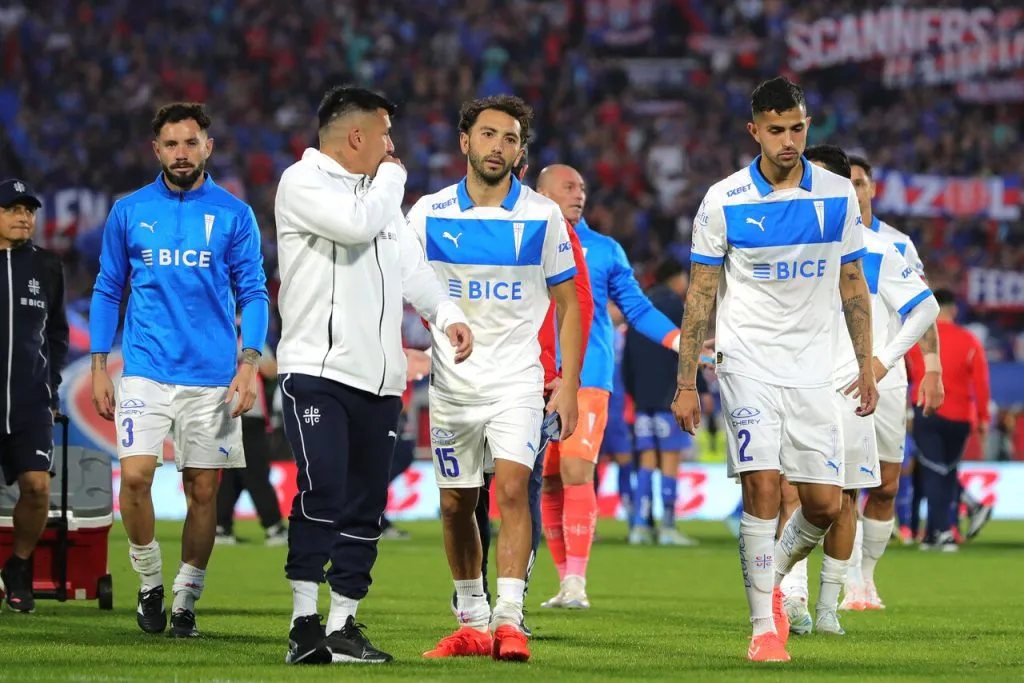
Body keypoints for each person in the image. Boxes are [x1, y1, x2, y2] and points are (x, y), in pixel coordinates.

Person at [671, 77, 878, 663]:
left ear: (807, 126)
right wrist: (687, 381)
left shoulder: (837, 194)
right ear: (754, 131)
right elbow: (700, 294)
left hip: (815, 367)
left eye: (797, 128)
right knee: (762, 484)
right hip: (747, 361)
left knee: (824, 505)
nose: (788, 140)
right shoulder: (725, 199)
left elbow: (853, 282)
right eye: (776, 130)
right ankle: (764, 627)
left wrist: (864, 366)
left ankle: (775, 565)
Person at [273, 86, 472, 665]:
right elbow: (356, 227)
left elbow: (415, 271)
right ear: (356, 136)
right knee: (323, 491)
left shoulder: (379, 201)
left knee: (364, 506)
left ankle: (343, 626)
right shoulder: (303, 183)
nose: (392, 146)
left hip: (381, 382)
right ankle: (302, 622)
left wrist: (449, 316)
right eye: (385, 134)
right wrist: (392, 178)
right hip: (318, 371)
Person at [406, 95, 582, 662]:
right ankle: (472, 618)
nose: (497, 147)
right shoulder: (429, 213)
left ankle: (510, 619)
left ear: (520, 152)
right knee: (457, 504)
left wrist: (570, 384)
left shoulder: (541, 214)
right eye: (487, 135)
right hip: (453, 386)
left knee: (510, 490)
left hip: (517, 381)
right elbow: (396, 283)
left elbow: (569, 303)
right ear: (465, 142)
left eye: (509, 139)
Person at [90, 103, 269, 637]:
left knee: (202, 491)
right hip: (145, 368)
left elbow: (254, 293)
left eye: (191, 143)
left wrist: (249, 362)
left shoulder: (235, 214)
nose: (182, 153)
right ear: (157, 150)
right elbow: (107, 288)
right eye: (172, 144)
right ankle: (148, 583)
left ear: (207, 147)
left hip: (212, 375)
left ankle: (186, 599)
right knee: (138, 476)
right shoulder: (129, 210)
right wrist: (100, 365)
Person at [778, 145, 938, 636]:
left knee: (846, 498)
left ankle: (830, 607)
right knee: (795, 493)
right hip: (796, 382)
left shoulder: (879, 248)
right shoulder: (786, 241)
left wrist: (884, 360)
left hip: (850, 390)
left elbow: (925, 308)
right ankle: (792, 598)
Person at [457, 145, 594, 639]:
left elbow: (576, 303)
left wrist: (563, 377)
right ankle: (471, 594)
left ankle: (511, 605)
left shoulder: (547, 223)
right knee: (466, 496)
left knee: (521, 489)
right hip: (464, 378)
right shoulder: (452, 214)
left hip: (528, 380)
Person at [536, 163, 682, 610]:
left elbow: (636, 309)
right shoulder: (522, 243)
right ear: (541, 193)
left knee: (578, 470)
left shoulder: (604, 250)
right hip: (533, 377)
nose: (579, 194)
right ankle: (564, 582)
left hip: (587, 377)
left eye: (582, 187)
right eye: (568, 187)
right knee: (547, 483)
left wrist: (679, 341)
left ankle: (577, 581)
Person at [837, 154, 944, 610]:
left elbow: (920, 307)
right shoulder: (823, 241)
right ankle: (846, 584)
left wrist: (933, 367)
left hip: (891, 377)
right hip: (839, 377)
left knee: (885, 486)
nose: (853, 191)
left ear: (872, 189)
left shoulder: (895, 245)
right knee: (843, 485)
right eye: (846, 184)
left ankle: (867, 577)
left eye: (859, 183)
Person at [0, 178, 69, 613]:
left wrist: (52, 382)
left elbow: (58, 333)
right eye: (13, 209)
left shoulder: (47, 266)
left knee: (37, 488)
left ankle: (19, 566)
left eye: (30, 210)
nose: (25, 217)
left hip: (30, 400)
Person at [622, 258, 702, 547]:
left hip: (643, 400)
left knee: (646, 461)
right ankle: (667, 527)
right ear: (676, 278)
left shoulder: (639, 308)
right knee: (669, 461)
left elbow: (627, 360)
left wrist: (635, 393)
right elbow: (686, 350)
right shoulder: (675, 307)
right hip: (669, 396)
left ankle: (640, 526)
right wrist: (694, 388)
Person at [905, 289, 990, 551]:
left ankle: (941, 532)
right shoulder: (970, 340)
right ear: (954, 310)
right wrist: (984, 417)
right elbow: (981, 382)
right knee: (947, 470)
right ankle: (934, 532)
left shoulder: (918, 338)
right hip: (960, 417)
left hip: (927, 410)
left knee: (933, 471)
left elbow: (906, 374)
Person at [215, 334, 287, 546]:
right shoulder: (249, 338)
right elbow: (272, 371)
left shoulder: (218, 335)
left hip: (224, 415)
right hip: (248, 414)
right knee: (257, 473)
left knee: (232, 475)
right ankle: (274, 526)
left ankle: (221, 526)